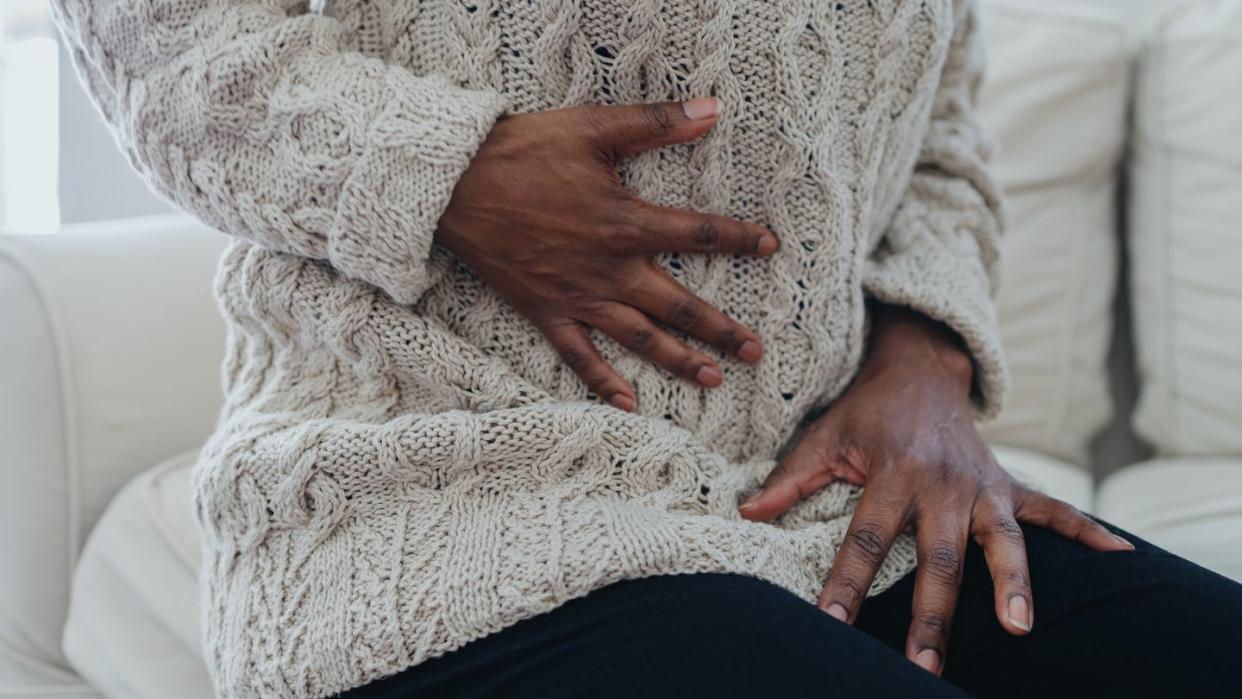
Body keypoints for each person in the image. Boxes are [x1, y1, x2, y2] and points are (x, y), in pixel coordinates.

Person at [52, 0, 1242, 697]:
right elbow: (158, 39)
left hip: (822, 513)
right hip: (438, 517)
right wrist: (447, 173)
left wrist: (924, 357)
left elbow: (937, 126)